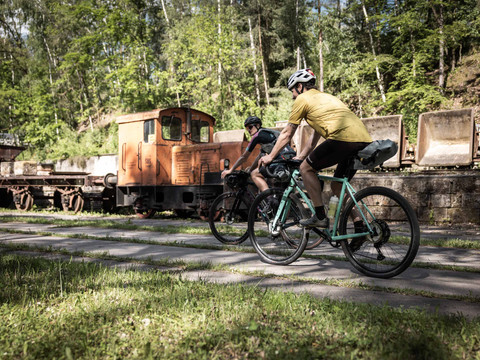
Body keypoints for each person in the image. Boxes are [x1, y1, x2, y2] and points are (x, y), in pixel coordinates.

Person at [258, 68, 372, 239]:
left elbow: (287, 134)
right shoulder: (327, 99)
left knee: (305, 170)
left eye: (293, 91)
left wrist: (270, 156)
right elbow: (313, 138)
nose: (292, 96)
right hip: (362, 139)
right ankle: (360, 225)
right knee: (337, 186)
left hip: (342, 138)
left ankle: (319, 217)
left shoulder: (303, 99)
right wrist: (301, 156)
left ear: (300, 86)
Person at [221, 115, 295, 192]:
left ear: (258, 125)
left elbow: (244, 157)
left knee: (255, 174)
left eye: (250, 127)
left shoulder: (257, 136)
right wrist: (250, 169)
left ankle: (268, 198)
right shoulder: (266, 133)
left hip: (281, 162)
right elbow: (260, 155)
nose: (249, 130)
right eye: (247, 128)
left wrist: (231, 170)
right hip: (287, 158)